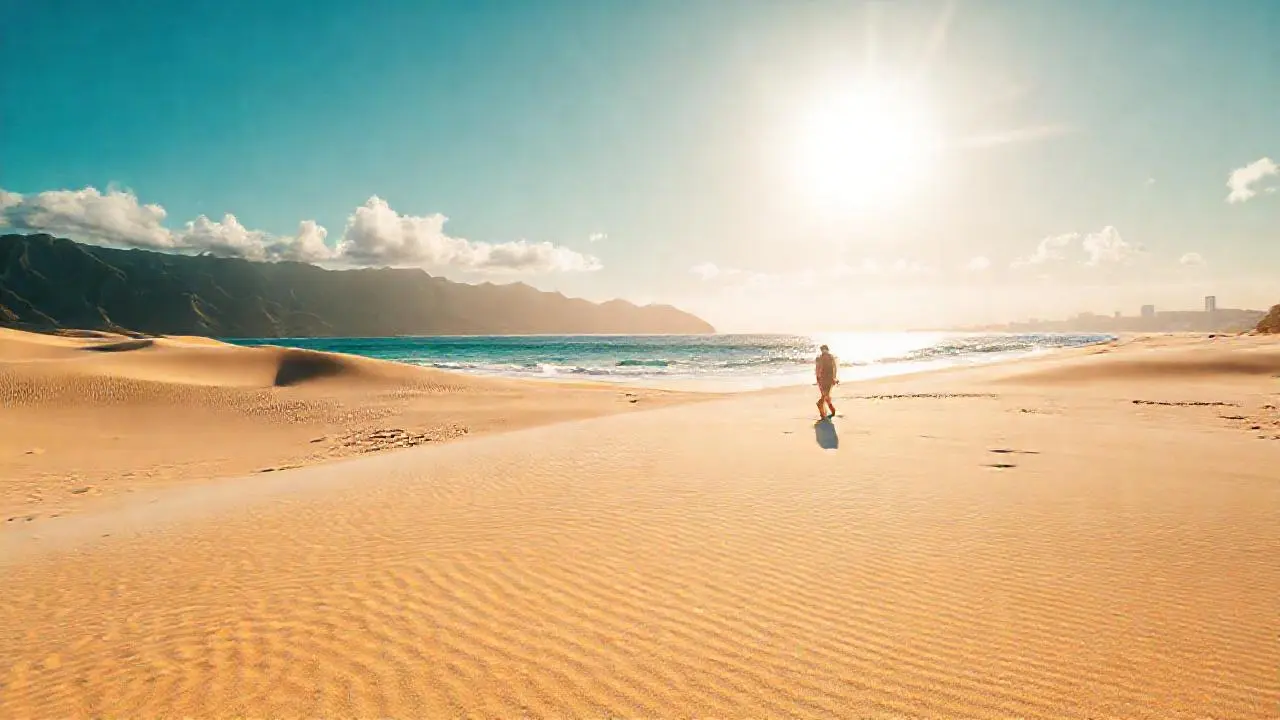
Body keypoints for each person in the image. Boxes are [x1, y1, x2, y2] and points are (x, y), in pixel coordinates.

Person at [815, 344, 838, 418]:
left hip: (824, 378)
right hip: (826, 378)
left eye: (824, 350)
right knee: (826, 395)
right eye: (823, 350)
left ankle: (827, 412)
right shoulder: (829, 357)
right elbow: (834, 368)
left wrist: (818, 378)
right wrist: (834, 378)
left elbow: (817, 369)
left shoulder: (822, 357)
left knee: (825, 395)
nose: (823, 351)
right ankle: (825, 410)